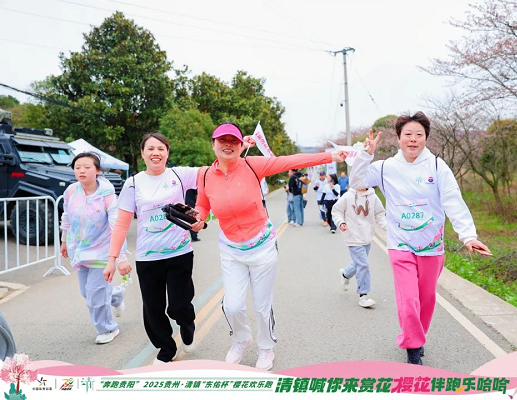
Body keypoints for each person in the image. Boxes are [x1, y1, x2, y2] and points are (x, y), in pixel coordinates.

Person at [193, 123, 347, 370]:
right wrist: (198, 218)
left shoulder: (253, 165)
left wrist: (330, 156)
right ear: (213, 144)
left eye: (233, 140)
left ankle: (266, 347)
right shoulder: (204, 175)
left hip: (262, 247)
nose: (228, 145)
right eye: (222, 140)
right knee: (232, 305)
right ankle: (241, 339)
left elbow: (290, 161)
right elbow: (202, 205)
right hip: (231, 250)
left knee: (262, 305)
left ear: (241, 145)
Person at [351, 112, 491, 365]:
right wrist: (365, 155)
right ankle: (413, 347)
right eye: (408, 134)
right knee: (408, 299)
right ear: (398, 138)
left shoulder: (437, 167)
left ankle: (418, 336)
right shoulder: (385, 167)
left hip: (431, 245)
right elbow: (357, 181)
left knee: (426, 299)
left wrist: (468, 236)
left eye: (419, 134)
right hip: (400, 244)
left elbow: (453, 201)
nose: (413, 139)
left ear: (426, 138)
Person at [107, 133, 201, 364]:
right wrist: (113, 258)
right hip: (148, 257)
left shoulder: (179, 175)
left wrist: (239, 148)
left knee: (179, 304)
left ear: (167, 152)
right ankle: (166, 349)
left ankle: (186, 323)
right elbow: (121, 223)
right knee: (153, 308)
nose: (155, 153)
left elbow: (214, 173)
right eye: (150, 148)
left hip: (179, 252)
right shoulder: (133, 183)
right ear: (142, 153)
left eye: (160, 148)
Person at [60, 152, 128, 345]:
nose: (81, 171)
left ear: (97, 171)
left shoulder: (107, 195)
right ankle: (116, 295)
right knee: (87, 292)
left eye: (87, 167)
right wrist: (64, 240)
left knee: (95, 297)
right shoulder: (71, 191)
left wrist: (120, 257)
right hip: (80, 250)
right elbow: (67, 216)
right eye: (78, 167)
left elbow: (117, 225)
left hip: (102, 251)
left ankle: (108, 328)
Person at [331, 185, 387, 308]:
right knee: (363, 264)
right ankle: (363, 295)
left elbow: (379, 214)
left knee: (359, 262)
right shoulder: (348, 196)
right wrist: (341, 222)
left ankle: (345, 274)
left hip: (367, 236)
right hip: (352, 236)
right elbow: (336, 211)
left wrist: (388, 228)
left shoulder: (373, 196)